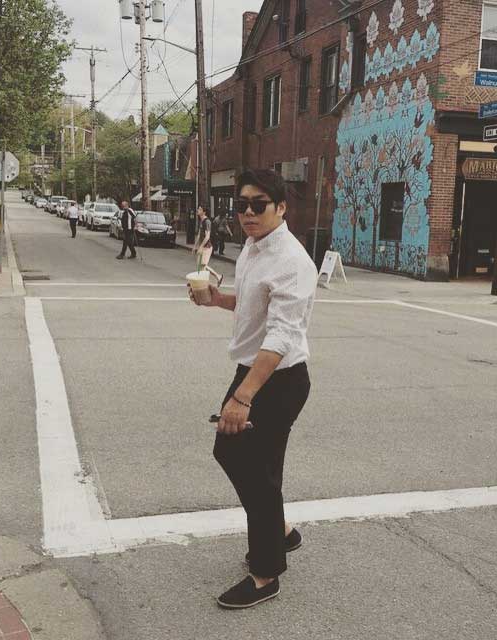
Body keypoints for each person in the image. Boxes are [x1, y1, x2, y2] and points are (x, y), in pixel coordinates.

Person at [189, 168, 318, 609]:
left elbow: (281, 336)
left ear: (281, 208)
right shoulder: (252, 246)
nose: (247, 212)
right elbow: (251, 306)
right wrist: (215, 299)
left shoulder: (293, 262)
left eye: (258, 204)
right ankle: (281, 532)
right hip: (256, 370)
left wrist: (243, 396)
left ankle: (266, 574)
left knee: (239, 458)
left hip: (277, 379)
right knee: (261, 467)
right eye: (241, 204)